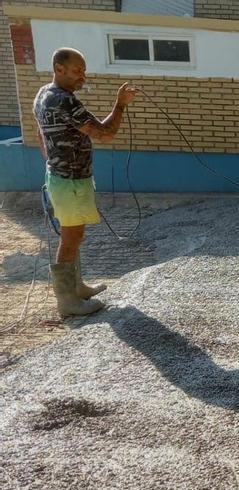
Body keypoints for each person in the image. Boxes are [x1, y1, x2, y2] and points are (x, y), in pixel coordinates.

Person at [33, 47, 137, 316]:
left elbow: (40, 134)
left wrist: (53, 161)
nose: (83, 76)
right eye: (77, 70)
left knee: (74, 236)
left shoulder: (44, 94)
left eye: (84, 70)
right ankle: (67, 302)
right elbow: (106, 134)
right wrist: (120, 104)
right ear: (59, 69)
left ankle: (77, 288)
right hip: (69, 182)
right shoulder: (64, 101)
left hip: (61, 177)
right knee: (71, 238)